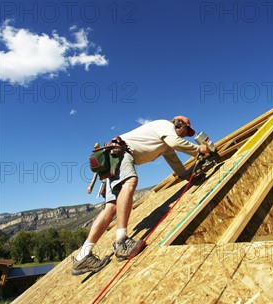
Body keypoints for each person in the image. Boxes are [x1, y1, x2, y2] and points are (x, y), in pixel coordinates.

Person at [72, 116, 210, 275]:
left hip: (111, 157)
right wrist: (199, 149)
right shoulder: (165, 125)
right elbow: (176, 143)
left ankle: (83, 256)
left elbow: (175, 163)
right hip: (119, 153)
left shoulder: (165, 143)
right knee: (130, 181)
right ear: (179, 125)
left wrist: (188, 176)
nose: (186, 135)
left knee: (111, 207)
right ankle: (122, 242)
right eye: (186, 131)